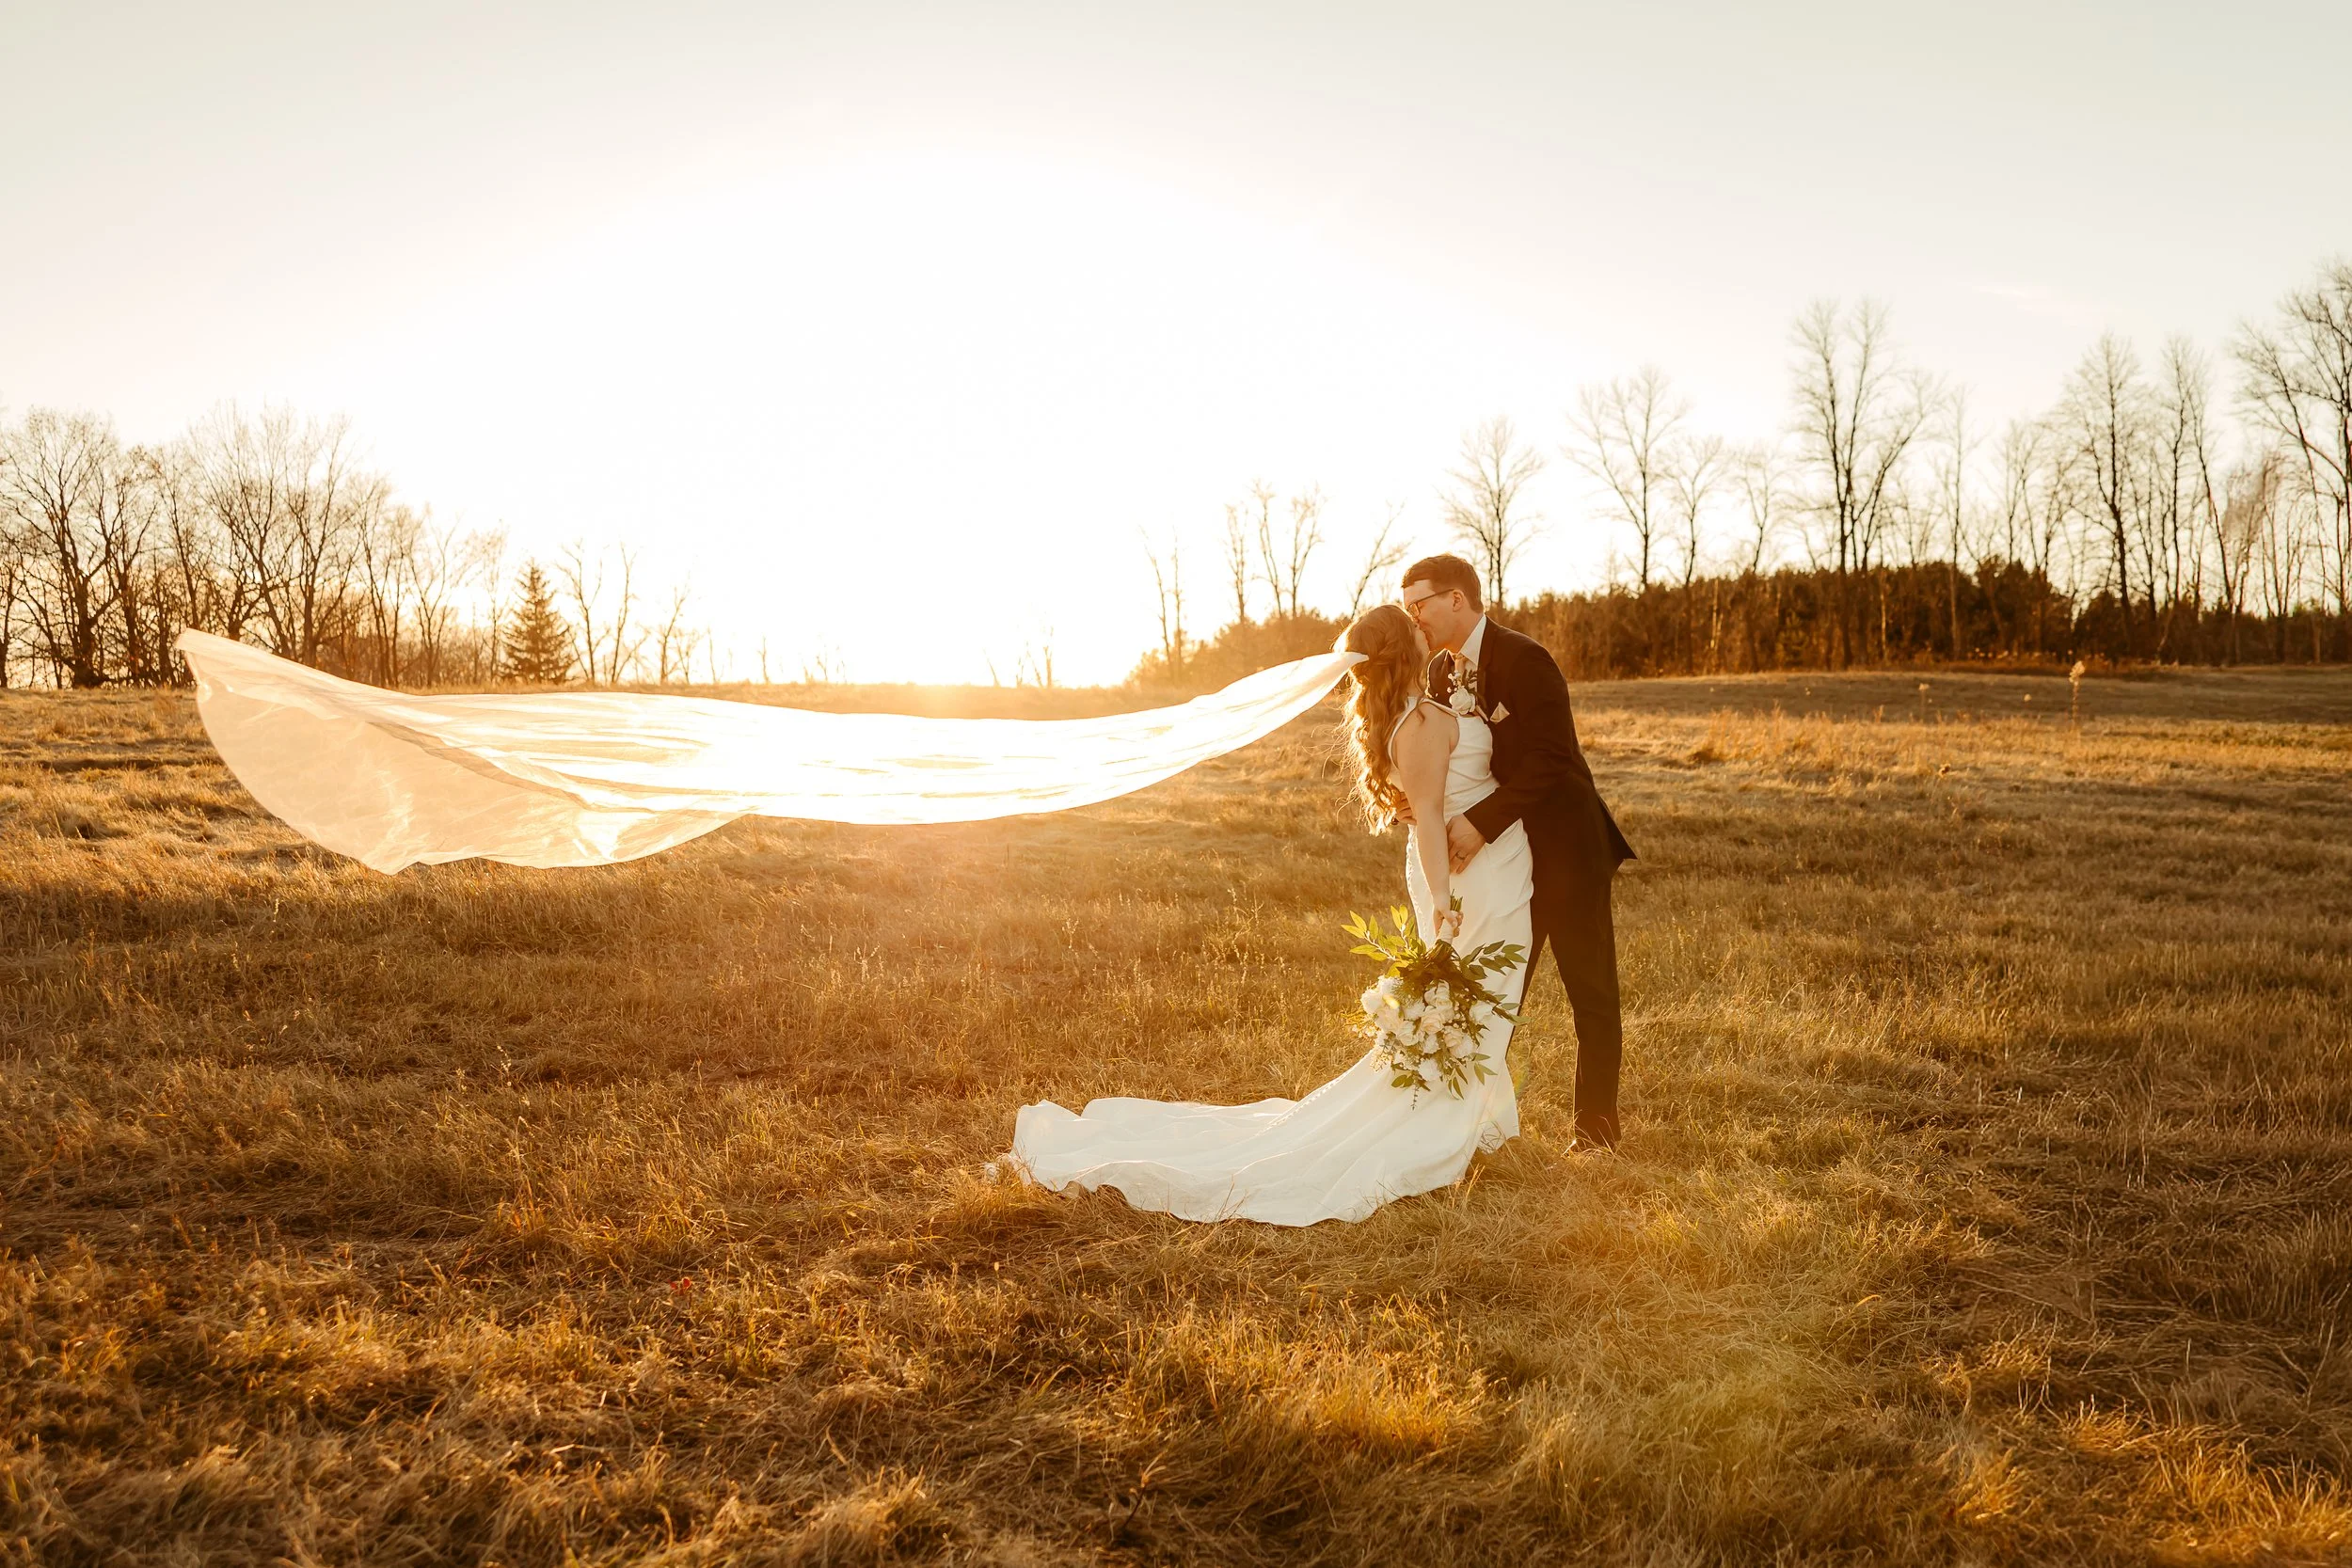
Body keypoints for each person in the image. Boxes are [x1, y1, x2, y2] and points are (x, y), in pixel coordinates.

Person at [1006, 601, 1535, 1225]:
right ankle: (1432, 1127)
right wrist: (1444, 908)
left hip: (1491, 874)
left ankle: (1479, 1119)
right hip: (1466, 885)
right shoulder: (1419, 723)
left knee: (1481, 1000)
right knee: (1471, 999)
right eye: (1413, 625)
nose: (1426, 630)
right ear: (1402, 649)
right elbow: (1424, 824)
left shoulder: (1420, 712)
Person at [1398, 553, 1634, 1150]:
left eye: (1420, 603)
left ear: (1458, 599)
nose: (1414, 616)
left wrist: (1480, 823)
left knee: (1592, 992)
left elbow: (1553, 759)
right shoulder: (1438, 677)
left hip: (1566, 848)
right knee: (1495, 989)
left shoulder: (1527, 659)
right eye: (1407, 608)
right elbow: (1449, 757)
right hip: (1506, 863)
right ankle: (1469, 1126)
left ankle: (1597, 1135)